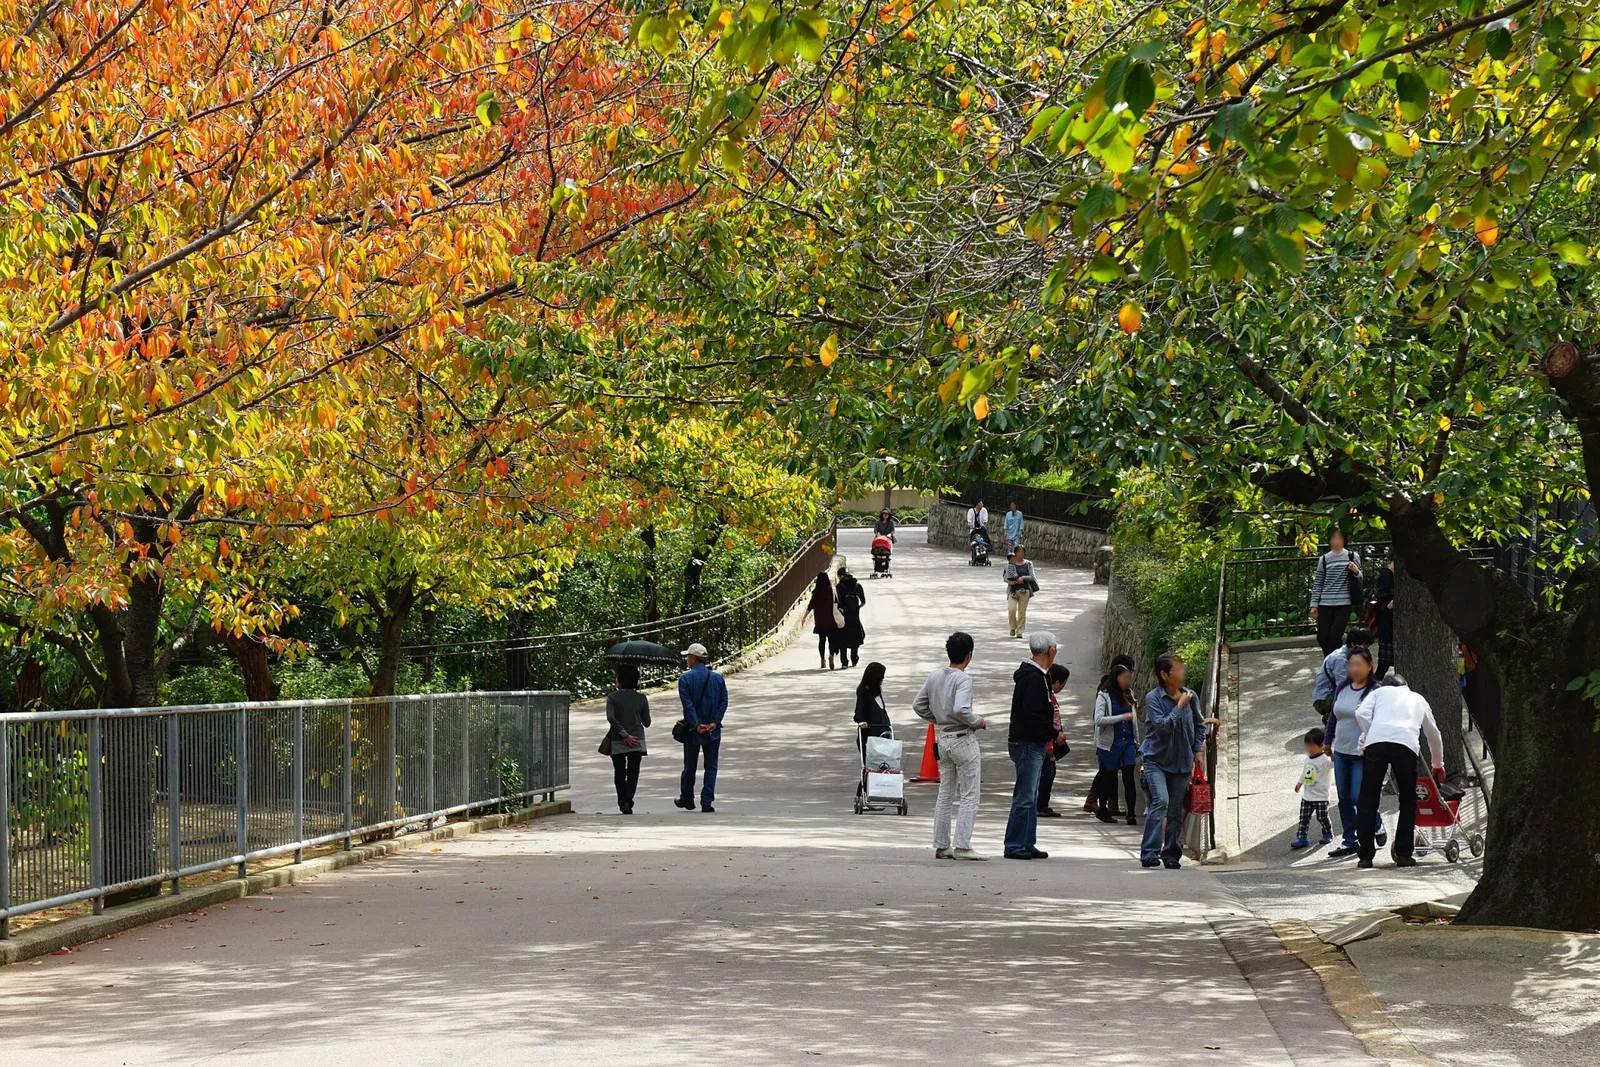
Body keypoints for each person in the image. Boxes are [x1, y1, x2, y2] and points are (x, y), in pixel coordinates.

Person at [1354, 673, 1445, 869]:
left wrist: (1371, 734)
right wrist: (1438, 764)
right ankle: (1404, 854)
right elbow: (1433, 734)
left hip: (1376, 744)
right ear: (1405, 686)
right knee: (1407, 799)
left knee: (1368, 799)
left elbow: (1360, 714)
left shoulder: (1378, 693)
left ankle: (1365, 856)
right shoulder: (1417, 698)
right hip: (1405, 745)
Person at [913, 631, 987, 860]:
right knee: (969, 794)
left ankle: (942, 844)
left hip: (942, 739)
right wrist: (977, 722)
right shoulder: (963, 679)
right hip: (962, 738)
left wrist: (936, 717)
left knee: (946, 794)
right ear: (969, 655)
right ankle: (963, 844)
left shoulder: (935, 675)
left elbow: (918, 704)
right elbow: (961, 709)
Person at [1140, 653, 1217, 869]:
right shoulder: (1154, 698)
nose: (1183, 674)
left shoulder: (1190, 695)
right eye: (1178, 670)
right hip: (1156, 759)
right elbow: (1162, 727)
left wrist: (1198, 751)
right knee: (1160, 802)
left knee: (1175, 809)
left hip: (1182, 761)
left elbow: (1199, 725)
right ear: (1165, 675)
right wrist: (1179, 706)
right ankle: (1149, 852)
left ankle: (1171, 854)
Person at [1322, 646, 1387, 857]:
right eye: (1351, 664)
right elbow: (1333, 716)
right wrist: (1327, 741)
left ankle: (1375, 822)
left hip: (1362, 752)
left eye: (1359, 664)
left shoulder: (1375, 690)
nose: (1354, 669)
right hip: (1341, 750)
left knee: (1358, 796)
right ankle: (1350, 840)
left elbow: (1380, 721)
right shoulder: (1342, 687)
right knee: (1344, 798)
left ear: (1370, 666)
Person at [1004, 631, 1060, 860]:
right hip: (1027, 742)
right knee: (1025, 795)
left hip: (1032, 741)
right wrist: (1052, 733)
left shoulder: (1039, 676)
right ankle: (1015, 844)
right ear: (1050, 650)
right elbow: (1033, 714)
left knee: (1032, 794)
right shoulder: (1034, 678)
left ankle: (1027, 841)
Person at [676, 642, 728, 813]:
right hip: (713, 730)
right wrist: (714, 722)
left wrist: (696, 724)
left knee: (689, 765)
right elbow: (723, 702)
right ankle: (707, 801)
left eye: (688, 657)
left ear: (693, 658)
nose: (687, 660)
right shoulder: (718, 678)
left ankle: (687, 798)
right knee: (711, 766)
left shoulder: (685, 679)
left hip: (693, 730)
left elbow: (688, 705)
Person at [1090, 659, 1140, 825]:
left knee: (1128, 775)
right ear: (1116, 678)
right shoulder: (1104, 696)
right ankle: (1103, 809)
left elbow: (1133, 720)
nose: (1127, 681)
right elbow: (1099, 719)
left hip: (1127, 741)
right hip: (1110, 742)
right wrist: (1121, 717)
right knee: (1109, 776)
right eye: (1124, 678)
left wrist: (1137, 741)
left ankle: (1131, 813)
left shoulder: (1129, 694)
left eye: (1128, 678)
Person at [1310, 528, 1363, 657]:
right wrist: (1314, 604)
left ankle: (1333, 665)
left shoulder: (1352, 556)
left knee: (1335, 637)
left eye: (1339, 538)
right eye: (1333, 538)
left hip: (1343, 603)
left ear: (1344, 540)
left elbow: (1361, 578)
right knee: (1322, 637)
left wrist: (1356, 571)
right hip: (1325, 603)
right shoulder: (1324, 559)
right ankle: (1333, 663)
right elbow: (1318, 582)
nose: (1336, 541)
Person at [605, 664, 651, 815]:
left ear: (619, 681)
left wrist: (624, 734)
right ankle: (628, 801)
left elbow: (611, 717)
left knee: (619, 772)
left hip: (618, 739)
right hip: (637, 739)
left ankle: (622, 801)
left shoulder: (612, 697)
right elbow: (647, 722)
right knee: (633, 772)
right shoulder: (641, 698)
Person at [1311, 626, 1373, 718]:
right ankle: (1331, 717)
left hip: (1335, 694)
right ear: (1353, 644)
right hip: (1324, 699)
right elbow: (1344, 687)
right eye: (1365, 646)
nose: (1366, 650)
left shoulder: (1352, 655)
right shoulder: (1340, 659)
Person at [1036, 663, 1071, 818]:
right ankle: (1040, 805)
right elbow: (1047, 721)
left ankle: (1043, 803)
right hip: (1047, 742)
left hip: (1052, 740)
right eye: (1063, 683)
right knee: (1046, 773)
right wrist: (1050, 743)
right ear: (1057, 682)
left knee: (1050, 772)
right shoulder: (1047, 697)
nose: (1063, 687)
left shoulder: (1051, 696)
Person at [1291, 727, 1334, 849]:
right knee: (1303, 818)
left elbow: (1334, 764)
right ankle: (1301, 837)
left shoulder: (1324, 760)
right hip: (1307, 796)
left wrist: (1331, 753)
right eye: (1306, 746)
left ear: (1321, 746)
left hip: (1321, 796)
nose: (1308, 749)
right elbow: (1305, 772)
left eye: (1311, 746)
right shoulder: (1308, 759)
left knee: (1322, 817)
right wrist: (1299, 783)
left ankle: (1328, 832)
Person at [853, 661, 891, 797]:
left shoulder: (877, 692)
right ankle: (864, 794)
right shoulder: (864, 691)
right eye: (881, 676)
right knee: (870, 766)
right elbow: (859, 710)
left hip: (883, 733)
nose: (883, 679)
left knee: (881, 766)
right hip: (869, 735)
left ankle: (875, 793)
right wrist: (861, 721)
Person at [802, 571, 840, 670]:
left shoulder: (816, 593)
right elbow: (838, 602)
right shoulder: (832, 590)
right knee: (832, 640)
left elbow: (810, 606)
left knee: (822, 641)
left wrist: (804, 617)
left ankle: (822, 660)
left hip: (820, 621)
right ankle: (831, 655)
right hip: (831, 620)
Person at [834, 566, 867, 668]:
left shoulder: (839, 587)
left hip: (843, 617)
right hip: (855, 617)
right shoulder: (857, 586)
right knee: (855, 638)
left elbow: (836, 602)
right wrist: (856, 609)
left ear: (840, 576)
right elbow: (863, 602)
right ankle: (854, 658)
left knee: (843, 639)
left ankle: (844, 662)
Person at [1002, 545, 1037, 639]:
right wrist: (1015, 581)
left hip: (1024, 590)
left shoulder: (1028, 564)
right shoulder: (1009, 564)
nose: (1020, 554)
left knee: (1022, 612)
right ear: (1015, 553)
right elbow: (1005, 579)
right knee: (1011, 609)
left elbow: (1032, 577)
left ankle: (1020, 631)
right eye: (1019, 552)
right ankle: (1013, 626)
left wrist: (1023, 578)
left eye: (1022, 552)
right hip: (1012, 590)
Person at [1373, 560, 1396, 679]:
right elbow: (1384, 600)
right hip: (1387, 622)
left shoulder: (1390, 575)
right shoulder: (1386, 576)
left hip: (1389, 622)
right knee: (1384, 664)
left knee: (1386, 662)